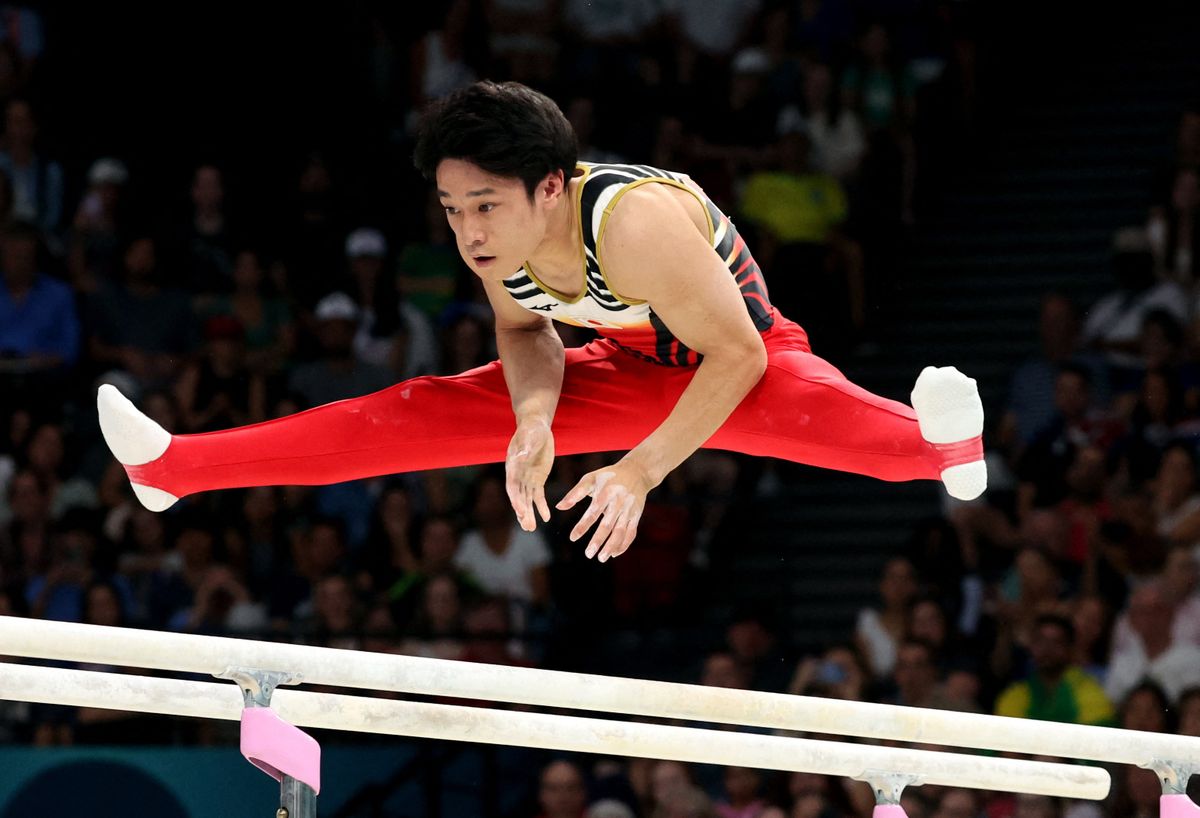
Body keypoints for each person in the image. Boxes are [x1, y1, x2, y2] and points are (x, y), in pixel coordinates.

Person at [96, 81, 986, 563]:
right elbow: (525, 334)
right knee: (416, 410)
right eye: (451, 209)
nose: (469, 231)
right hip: (620, 365)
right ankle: (176, 469)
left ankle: (951, 450)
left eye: (484, 205)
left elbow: (738, 352)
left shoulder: (634, 224)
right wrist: (531, 421)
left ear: (551, 187)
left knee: (864, 438)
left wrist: (636, 474)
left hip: (738, 361)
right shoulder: (497, 246)